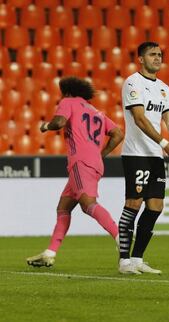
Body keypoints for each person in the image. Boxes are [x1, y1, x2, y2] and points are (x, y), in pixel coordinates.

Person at [27, 76, 123, 267]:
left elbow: (59, 122)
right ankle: (49, 253)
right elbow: (118, 133)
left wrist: (46, 126)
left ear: (68, 92)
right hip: (93, 163)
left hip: (80, 161)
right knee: (63, 208)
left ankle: (121, 237)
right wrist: (99, 154)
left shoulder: (68, 102)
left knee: (88, 204)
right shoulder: (96, 112)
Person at [118, 42, 169, 275]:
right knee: (134, 203)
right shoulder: (132, 82)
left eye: (160, 54)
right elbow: (140, 118)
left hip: (155, 155)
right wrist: (164, 143)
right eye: (152, 55)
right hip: (136, 153)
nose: (158, 58)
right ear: (141, 59)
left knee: (156, 206)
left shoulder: (163, 88)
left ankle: (138, 259)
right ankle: (124, 261)